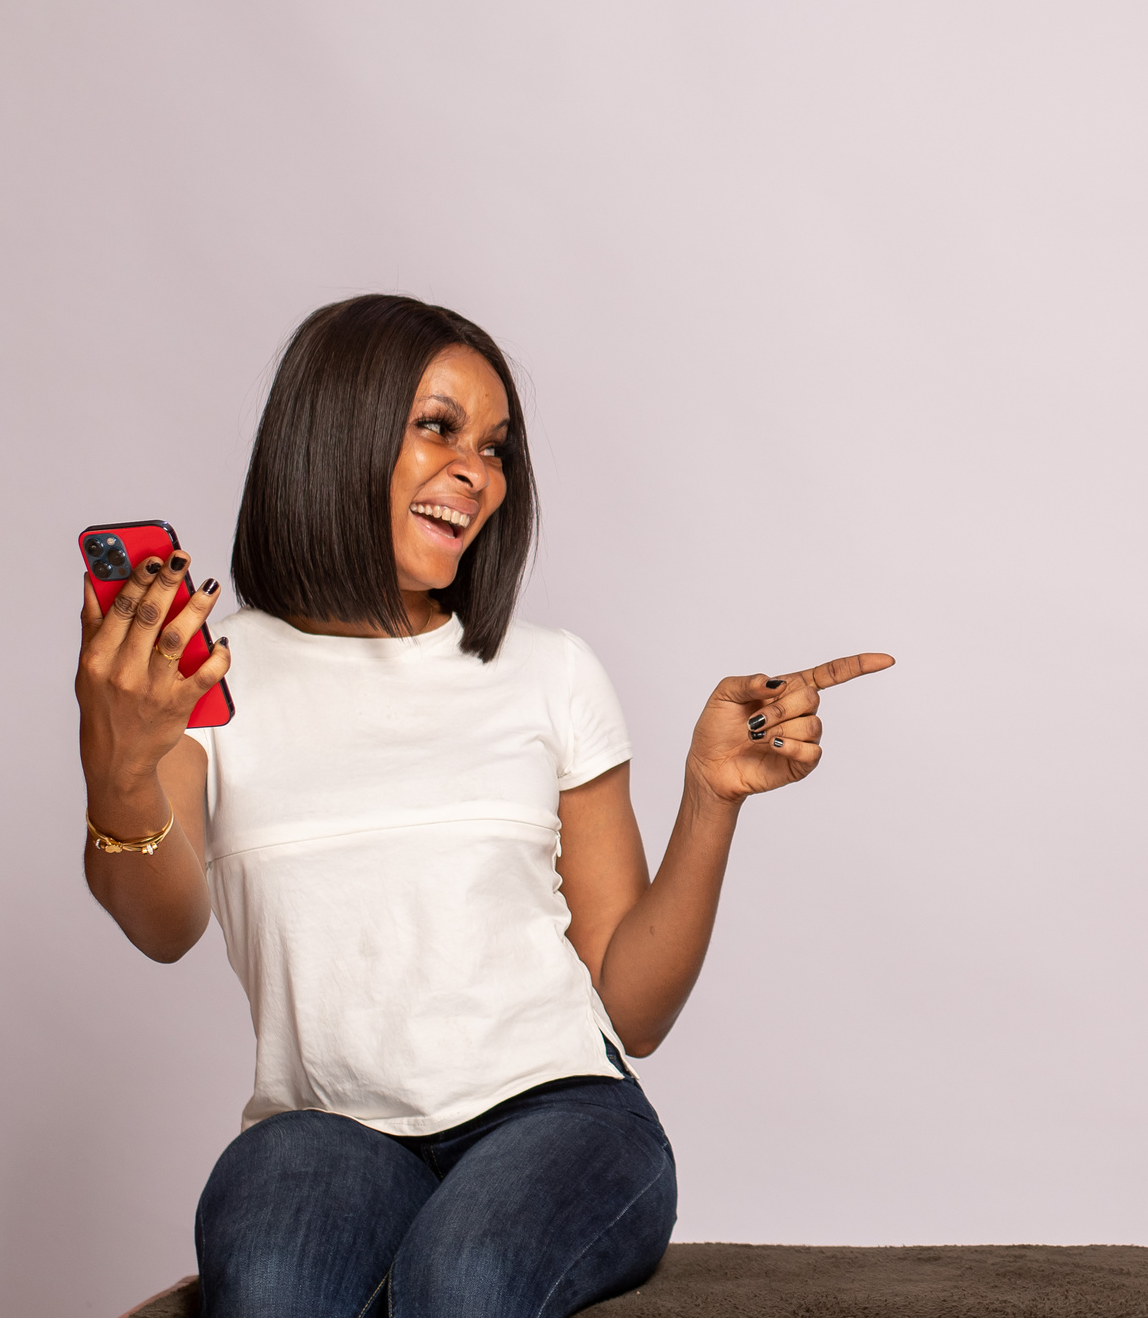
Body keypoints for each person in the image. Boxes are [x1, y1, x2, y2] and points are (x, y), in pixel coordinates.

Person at [74, 294, 894, 1318]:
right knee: (272, 1290)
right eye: (439, 428)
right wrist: (119, 762)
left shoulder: (546, 671)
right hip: (323, 1128)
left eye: (496, 446)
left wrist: (709, 797)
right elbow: (163, 925)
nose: (480, 472)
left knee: (462, 1283)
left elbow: (631, 1010)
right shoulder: (215, 681)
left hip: (556, 1114)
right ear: (335, 432)